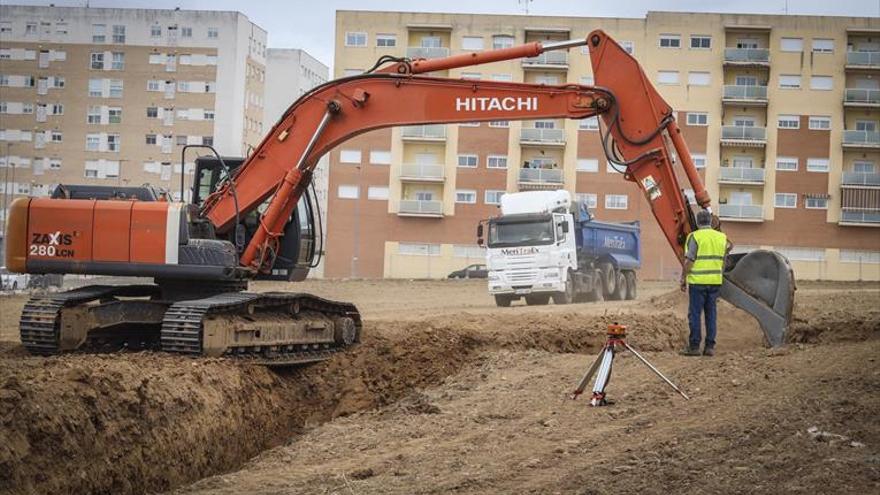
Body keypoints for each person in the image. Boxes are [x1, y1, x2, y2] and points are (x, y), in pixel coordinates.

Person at [679, 210, 732, 357]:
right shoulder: (721, 237)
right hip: (715, 282)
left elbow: (689, 261)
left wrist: (683, 278)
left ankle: (694, 347)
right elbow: (723, 261)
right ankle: (709, 347)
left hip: (698, 283)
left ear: (697, 222)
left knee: (695, 314)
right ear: (710, 221)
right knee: (711, 314)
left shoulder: (695, 237)